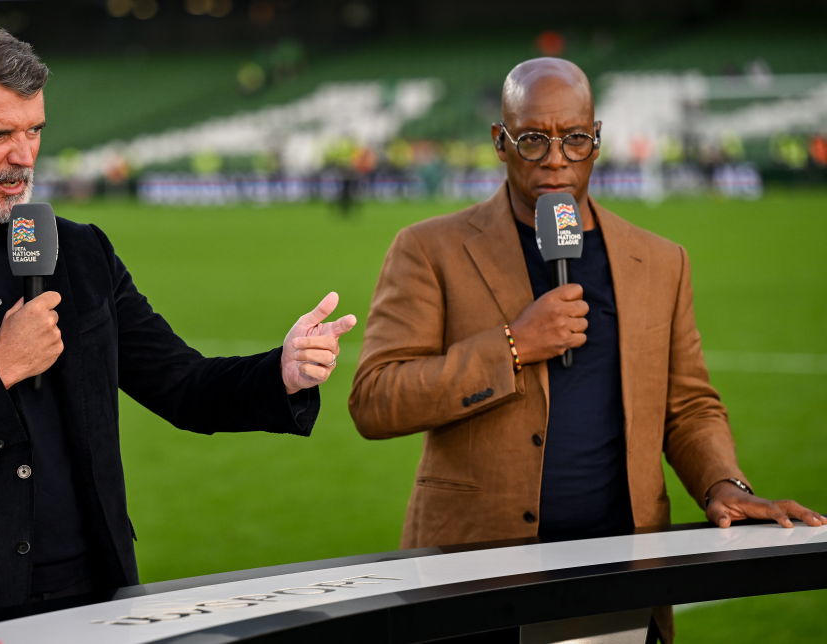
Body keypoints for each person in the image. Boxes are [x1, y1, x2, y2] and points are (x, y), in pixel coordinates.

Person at [0, 27, 356, 638]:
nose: (24, 156)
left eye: (34, 130)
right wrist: (0, 368)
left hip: (95, 599)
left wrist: (277, 372)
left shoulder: (80, 250)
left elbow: (181, 383)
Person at [347, 58, 823, 641]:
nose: (555, 158)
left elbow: (689, 405)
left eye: (574, 139)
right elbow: (375, 400)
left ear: (596, 142)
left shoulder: (660, 260)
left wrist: (724, 485)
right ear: (500, 142)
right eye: (532, 139)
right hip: (472, 578)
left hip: (619, 577)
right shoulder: (428, 249)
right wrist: (513, 346)